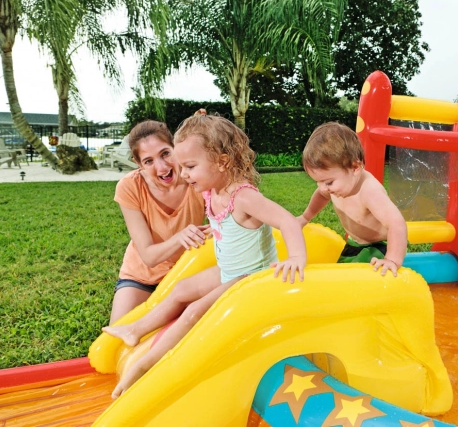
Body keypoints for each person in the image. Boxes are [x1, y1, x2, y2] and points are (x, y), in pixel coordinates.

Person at [103, 112, 307, 398]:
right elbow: (229, 222)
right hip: (229, 269)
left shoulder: (244, 196)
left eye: (189, 166)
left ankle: (146, 365)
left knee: (194, 311)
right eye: (183, 166)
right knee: (182, 288)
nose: (184, 174)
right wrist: (218, 229)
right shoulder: (213, 190)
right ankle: (135, 329)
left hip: (249, 277)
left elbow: (286, 220)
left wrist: (297, 257)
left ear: (222, 162)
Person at [110, 120, 208, 324]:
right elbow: (148, 256)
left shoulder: (197, 178)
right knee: (116, 336)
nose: (162, 167)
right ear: (139, 165)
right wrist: (180, 238)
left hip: (186, 273)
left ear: (176, 148)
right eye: (148, 161)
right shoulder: (129, 187)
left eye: (165, 153)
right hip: (141, 277)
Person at [296, 122, 408, 276]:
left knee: (357, 279)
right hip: (354, 243)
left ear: (355, 167)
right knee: (339, 275)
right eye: (318, 182)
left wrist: (392, 259)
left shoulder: (369, 191)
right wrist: (305, 217)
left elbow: (397, 223)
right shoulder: (336, 184)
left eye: (328, 182)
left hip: (378, 245)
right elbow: (321, 195)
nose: (323, 188)